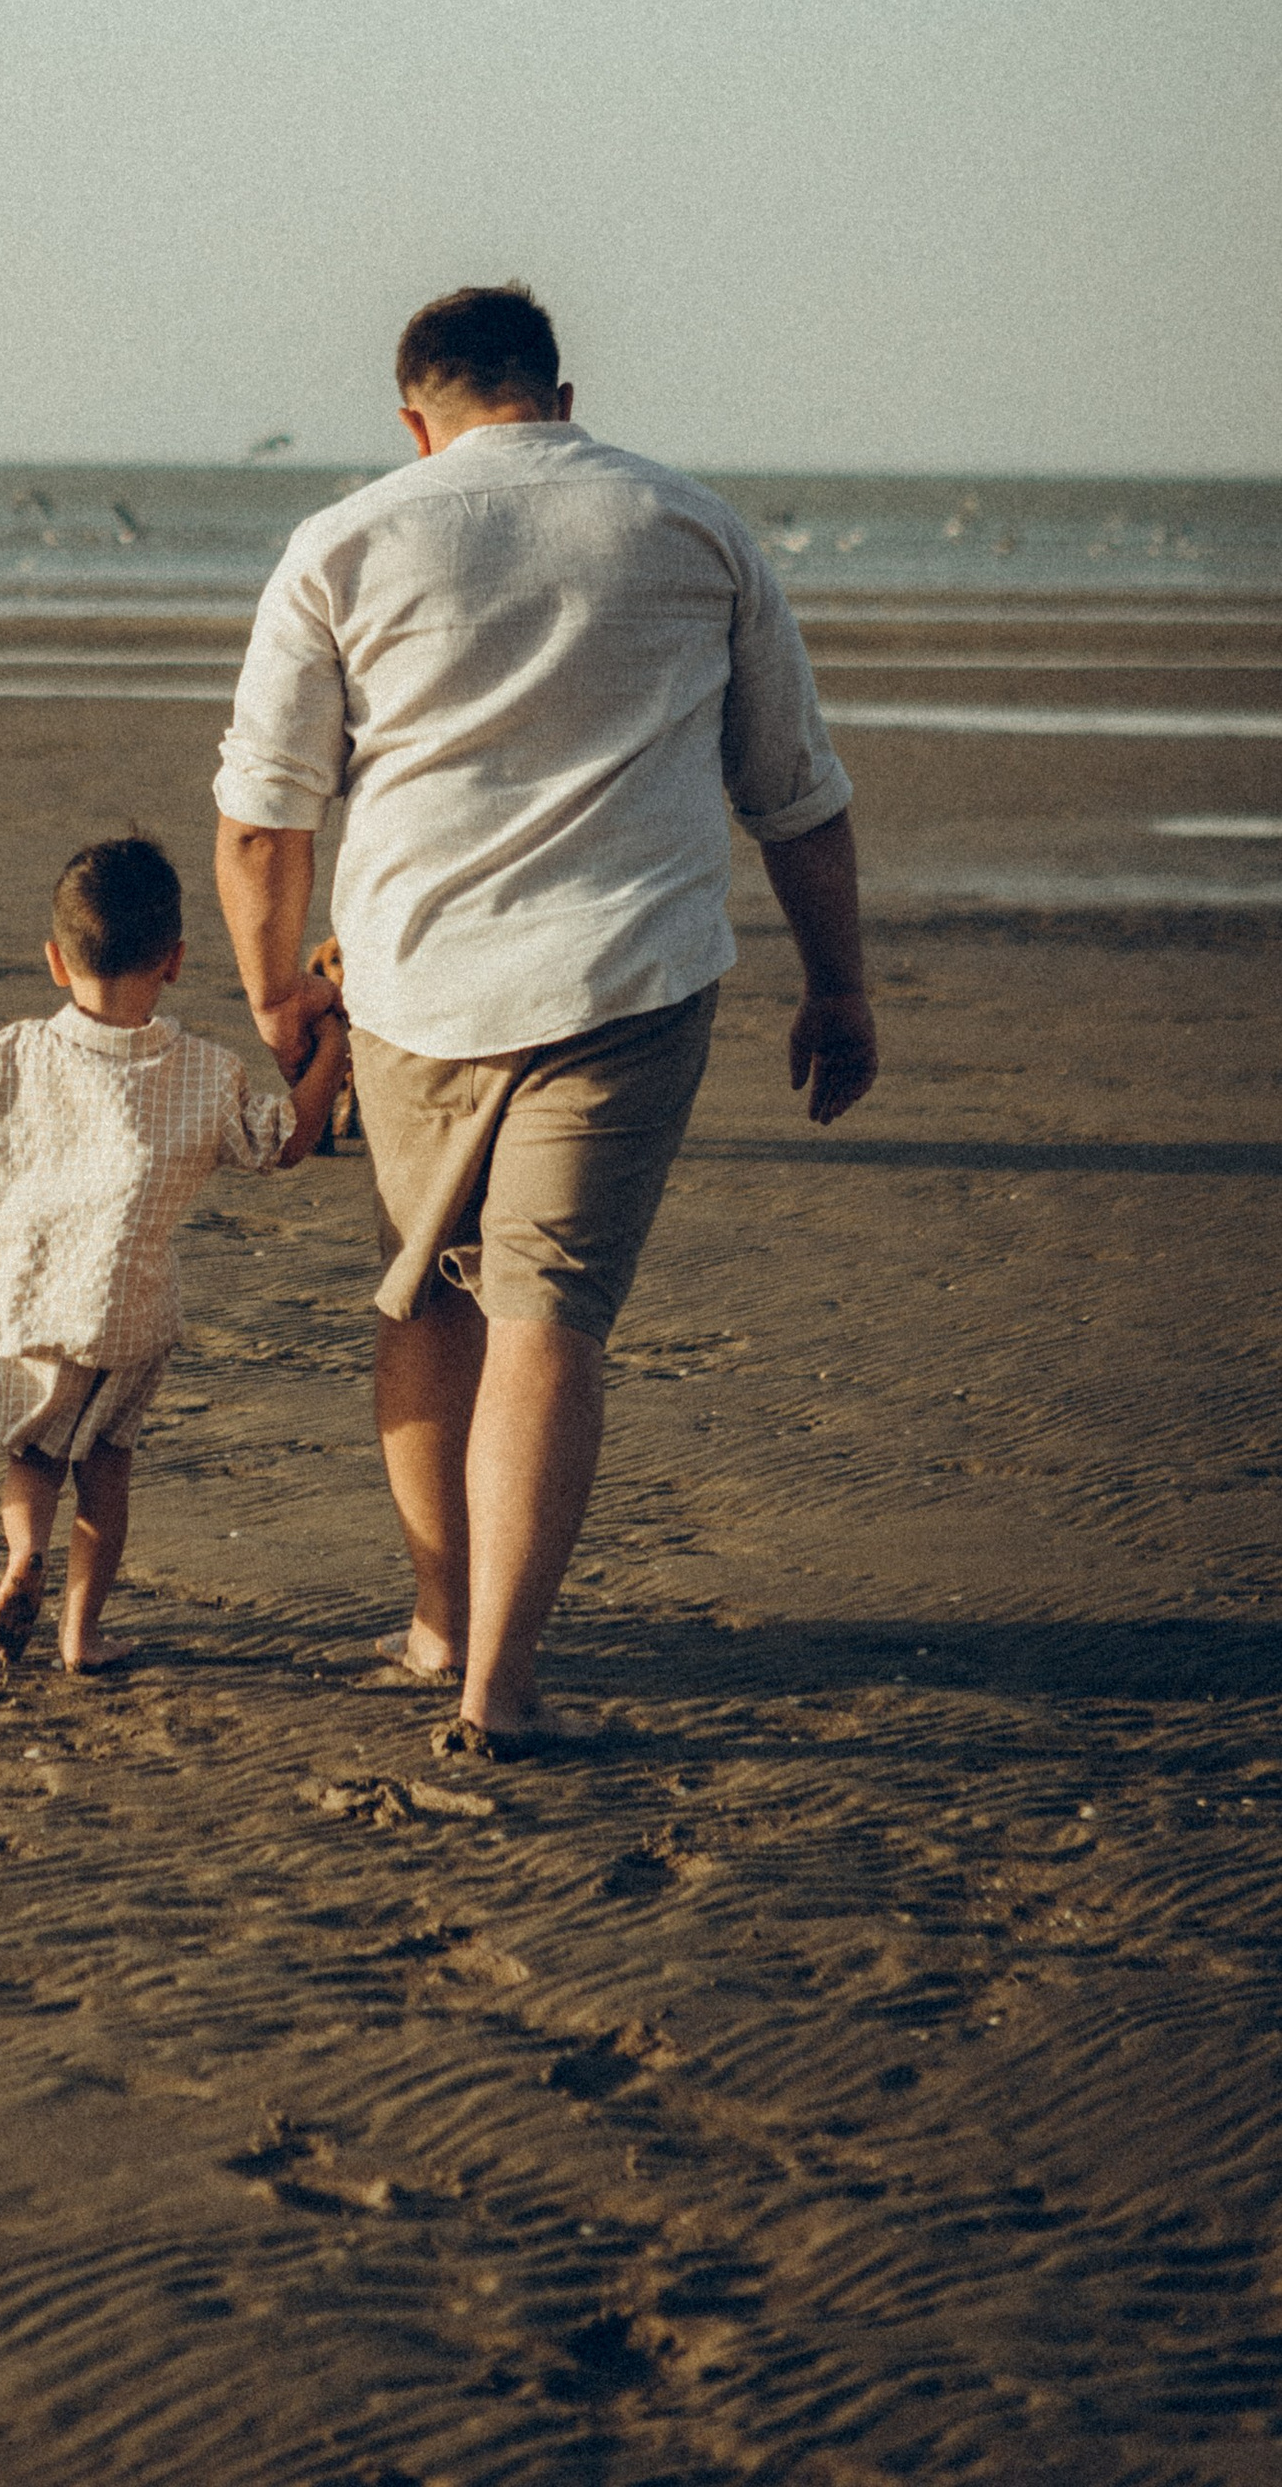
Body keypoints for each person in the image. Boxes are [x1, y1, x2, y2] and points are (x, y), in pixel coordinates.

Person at [213, 284, 877, 1756]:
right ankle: (499, 1685)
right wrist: (838, 985)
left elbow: (265, 818)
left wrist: (280, 996)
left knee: (429, 1296)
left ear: (413, 419)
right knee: (549, 1316)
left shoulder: (347, 538)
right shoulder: (691, 526)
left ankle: (440, 1622)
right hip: (624, 986)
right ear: (560, 399)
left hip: (408, 993)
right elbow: (795, 792)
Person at [0, 834, 348, 1674]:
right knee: (106, 1471)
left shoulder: (18, 1055)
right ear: (174, 962)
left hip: (35, 1307)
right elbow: (283, 1143)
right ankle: (81, 1632)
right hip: (133, 1315)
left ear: (57, 964)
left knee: (33, 1459)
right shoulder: (204, 1073)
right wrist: (331, 1057)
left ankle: (23, 1555)